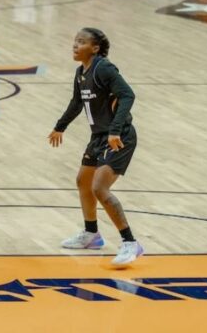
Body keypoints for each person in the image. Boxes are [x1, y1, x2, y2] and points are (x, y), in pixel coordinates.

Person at [48, 28, 144, 267]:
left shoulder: (104, 68)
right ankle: (91, 235)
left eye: (81, 42)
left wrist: (114, 129)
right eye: (74, 40)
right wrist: (60, 126)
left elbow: (128, 95)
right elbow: (77, 102)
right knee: (83, 181)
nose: (75, 45)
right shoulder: (81, 72)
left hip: (119, 136)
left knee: (100, 188)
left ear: (95, 48)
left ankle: (130, 243)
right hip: (98, 137)